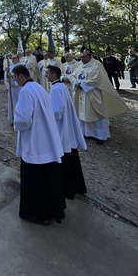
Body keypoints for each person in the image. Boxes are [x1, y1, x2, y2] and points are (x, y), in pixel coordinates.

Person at [12, 64, 65, 226]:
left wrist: (16, 125)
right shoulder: (39, 87)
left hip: (35, 143)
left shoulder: (26, 91)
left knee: (35, 181)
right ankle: (53, 210)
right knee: (47, 178)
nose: (14, 80)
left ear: (21, 76)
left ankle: (36, 214)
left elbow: (23, 119)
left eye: (15, 77)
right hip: (46, 140)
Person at [46, 65, 87, 200]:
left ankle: (68, 189)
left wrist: (45, 114)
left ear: (53, 74)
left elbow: (57, 111)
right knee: (71, 157)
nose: (45, 75)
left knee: (65, 159)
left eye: (47, 73)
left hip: (61, 127)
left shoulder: (57, 89)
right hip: (66, 126)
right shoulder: (61, 86)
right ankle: (77, 186)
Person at [72, 50, 128, 144]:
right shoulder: (79, 66)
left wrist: (82, 84)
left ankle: (100, 135)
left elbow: (98, 79)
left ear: (89, 57)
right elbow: (73, 76)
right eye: (81, 57)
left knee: (97, 113)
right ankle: (86, 133)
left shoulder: (96, 66)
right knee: (82, 113)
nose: (82, 58)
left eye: (84, 57)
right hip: (81, 94)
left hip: (93, 93)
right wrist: (76, 83)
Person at [7, 54, 21, 124]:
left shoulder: (20, 66)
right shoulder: (11, 66)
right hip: (12, 87)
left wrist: (11, 76)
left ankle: (18, 119)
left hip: (18, 87)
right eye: (12, 58)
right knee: (12, 103)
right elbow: (8, 76)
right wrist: (7, 74)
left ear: (18, 59)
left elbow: (20, 77)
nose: (13, 59)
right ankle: (13, 118)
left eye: (15, 58)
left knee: (18, 102)